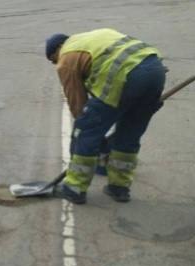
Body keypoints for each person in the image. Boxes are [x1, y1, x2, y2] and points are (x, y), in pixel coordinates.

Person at [44, 29, 167, 205]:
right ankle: (119, 188)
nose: (55, 63)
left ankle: (75, 188)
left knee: (86, 128)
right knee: (129, 132)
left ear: (57, 50)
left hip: (126, 75)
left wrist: (89, 129)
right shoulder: (94, 37)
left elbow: (77, 103)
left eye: (53, 60)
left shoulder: (66, 58)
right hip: (155, 70)